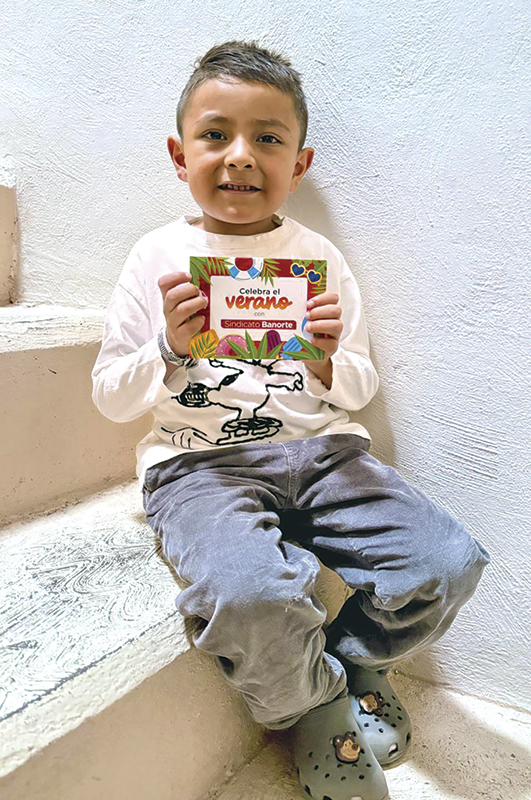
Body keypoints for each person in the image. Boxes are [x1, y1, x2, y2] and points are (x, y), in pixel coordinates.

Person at [91, 39, 490, 800]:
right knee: (249, 594)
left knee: (446, 561)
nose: (240, 155)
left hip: (323, 453)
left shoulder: (318, 257)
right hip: (198, 466)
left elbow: (359, 385)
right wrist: (168, 348)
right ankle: (312, 708)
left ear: (299, 163)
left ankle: (359, 660)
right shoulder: (155, 256)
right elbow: (111, 396)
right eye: (215, 134)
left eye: (267, 138)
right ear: (179, 154)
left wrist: (326, 359)